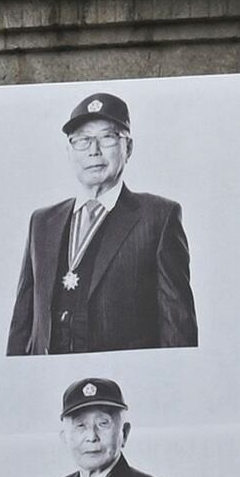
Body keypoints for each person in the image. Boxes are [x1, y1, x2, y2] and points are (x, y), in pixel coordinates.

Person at [11, 90, 197, 353]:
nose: (94, 151)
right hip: (47, 379)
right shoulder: (42, 222)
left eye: (107, 138)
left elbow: (178, 328)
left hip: (125, 378)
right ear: (69, 150)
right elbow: (23, 322)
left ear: (128, 147)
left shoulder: (158, 217)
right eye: (83, 140)